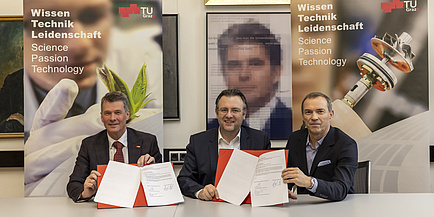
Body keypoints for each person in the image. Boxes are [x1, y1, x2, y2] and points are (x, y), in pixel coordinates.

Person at [67, 91, 162, 202]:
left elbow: (161, 183)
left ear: (127, 115)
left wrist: (151, 170)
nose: (112, 118)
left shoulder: (148, 142)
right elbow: (73, 184)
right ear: (101, 117)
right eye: (107, 113)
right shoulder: (89, 145)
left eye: (117, 112)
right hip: (103, 209)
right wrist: (84, 193)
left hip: (138, 208)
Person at [178, 89, 271, 200]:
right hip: (209, 207)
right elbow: (184, 179)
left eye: (235, 110)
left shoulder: (260, 140)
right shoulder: (198, 142)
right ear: (216, 113)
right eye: (224, 110)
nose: (229, 115)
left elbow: (268, 178)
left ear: (244, 114)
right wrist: (200, 191)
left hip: (248, 208)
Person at [209, 21, 292, 139]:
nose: (243, 74)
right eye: (234, 65)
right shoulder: (211, 128)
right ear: (223, 73)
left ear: (276, 72)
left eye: (255, 64)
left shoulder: (292, 123)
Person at [281, 92, 358, 201]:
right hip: (303, 205)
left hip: (336, 205)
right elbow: (287, 173)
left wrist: (309, 182)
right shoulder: (295, 139)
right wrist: (284, 190)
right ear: (303, 116)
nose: (314, 117)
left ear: (331, 114)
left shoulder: (345, 144)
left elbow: (340, 189)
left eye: (320, 111)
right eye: (308, 112)